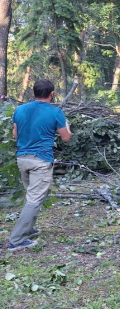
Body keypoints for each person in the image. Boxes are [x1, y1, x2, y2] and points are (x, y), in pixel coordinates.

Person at [8, 79, 72, 251]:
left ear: (34, 92)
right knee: (34, 200)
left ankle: (28, 230)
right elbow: (66, 138)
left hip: (22, 159)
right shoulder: (56, 112)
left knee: (32, 197)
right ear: (52, 94)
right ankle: (17, 240)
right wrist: (66, 125)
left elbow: (15, 135)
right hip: (41, 161)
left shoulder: (19, 110)